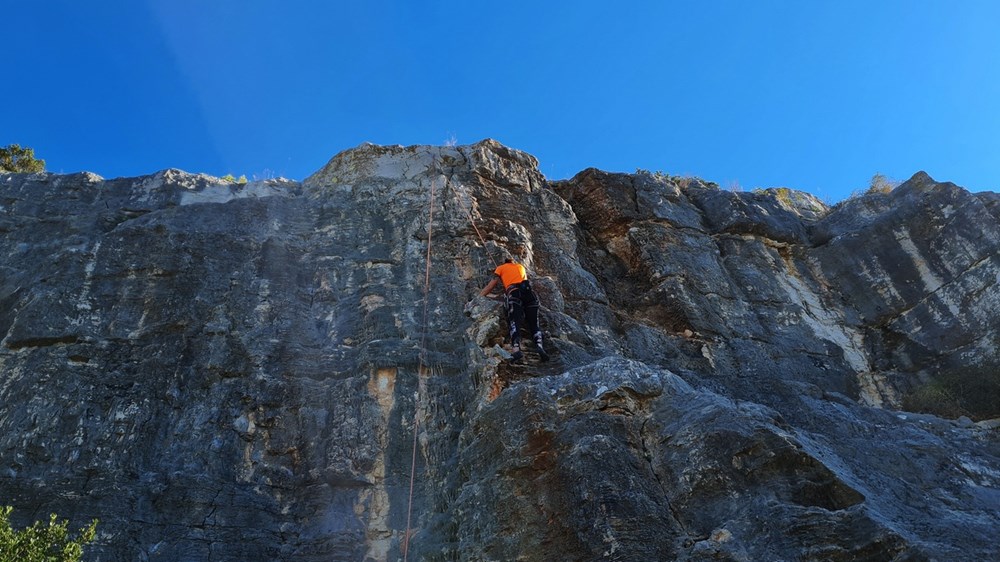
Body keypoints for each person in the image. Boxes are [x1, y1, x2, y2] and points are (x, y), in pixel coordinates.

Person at [479, 257, 549, 362]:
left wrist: (479, 297)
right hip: (529, 294)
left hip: (514, 293)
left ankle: (516, 350)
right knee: (534, 323)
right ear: (512, 261)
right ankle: (539, 346)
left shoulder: (500, 268)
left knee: (514, 322)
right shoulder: (520, 267)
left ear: (505, 262)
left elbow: (490, 286)